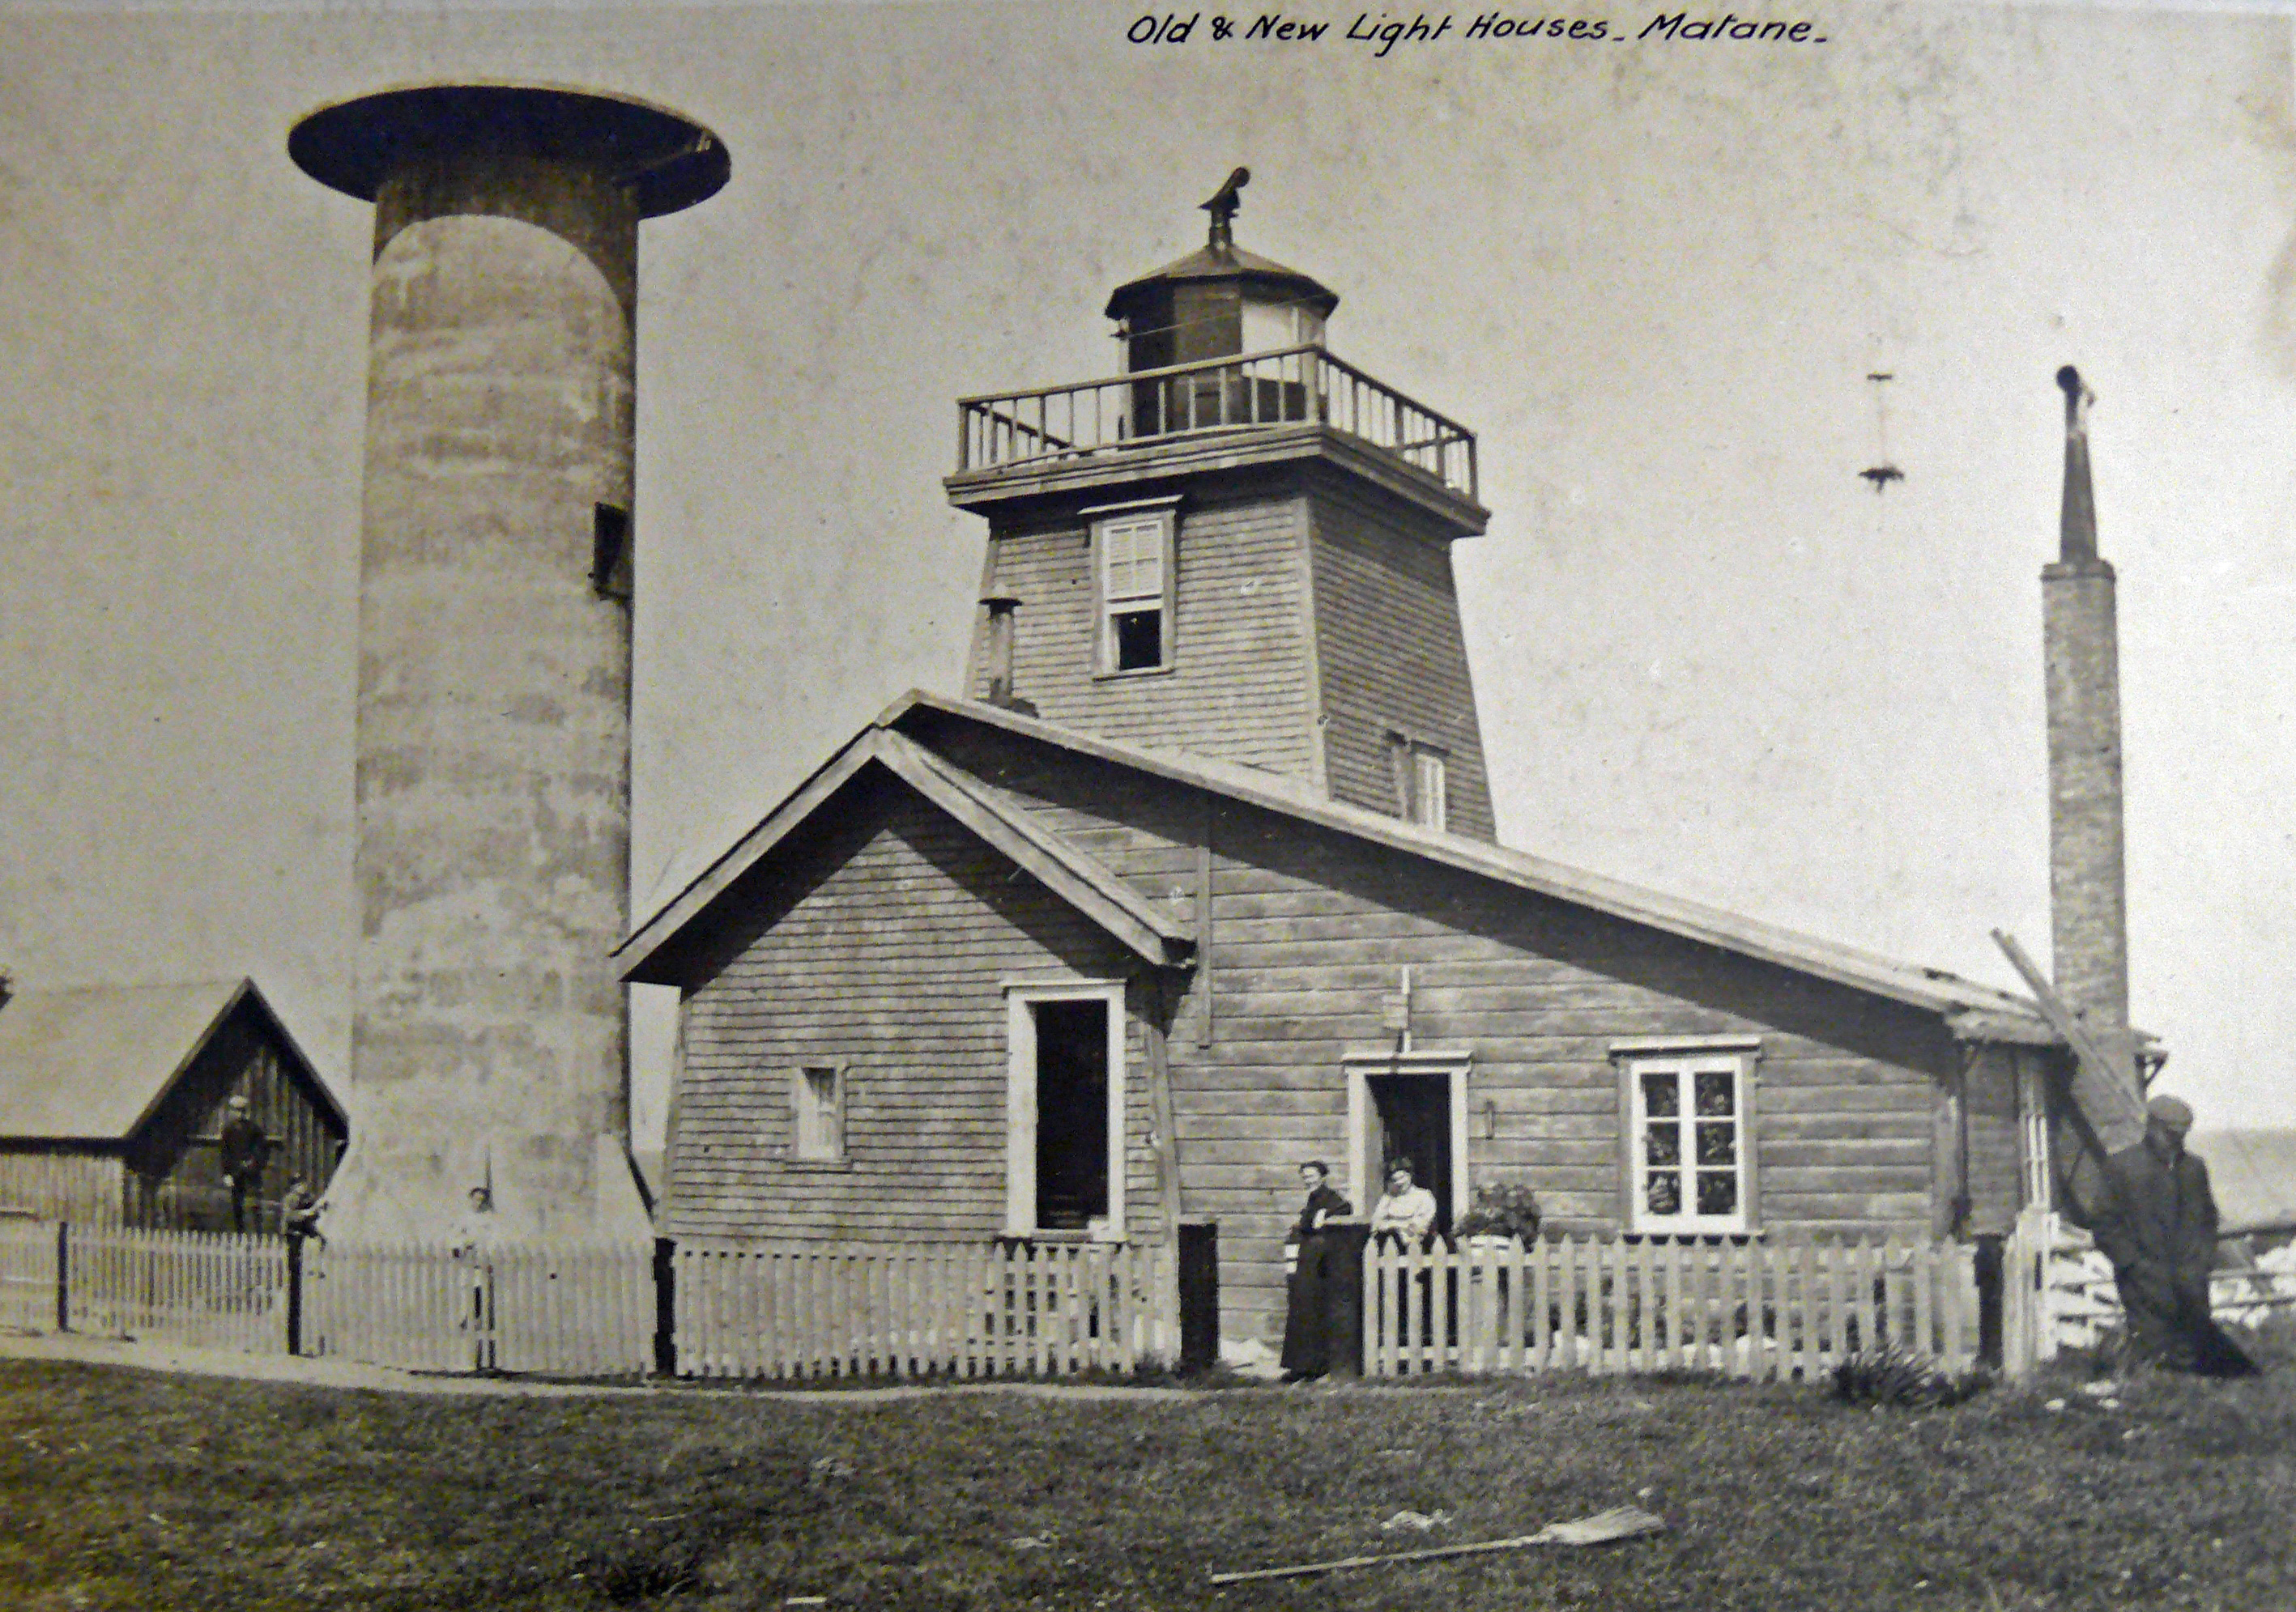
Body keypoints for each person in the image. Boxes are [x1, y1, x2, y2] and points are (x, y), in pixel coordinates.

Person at [2091, 1094, 2251, 1375]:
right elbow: (2105, 1225)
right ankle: (2155, 1401)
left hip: (2190, 1280)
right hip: (2143, 1281)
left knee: (2193, 1352)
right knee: (2153, 1353)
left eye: (2181, 1136)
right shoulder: (2121, 1168)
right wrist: (2134, 1265)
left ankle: (2189, 1404)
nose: (2176, 1142)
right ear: (2150, 1126)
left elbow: (2207, 1220)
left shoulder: (2194, 1169)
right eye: (2169, 1135)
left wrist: (2200, 1262)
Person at [1279, 1160, 1353, 1382]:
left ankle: (1313, 1367)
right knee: (1301, 1310)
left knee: (1311, 1311)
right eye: (1305, 1176)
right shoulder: (1313, 1197)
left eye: (1312, 1175)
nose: (1308, 1179)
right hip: (1306, 1261)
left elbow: (1346, 1208)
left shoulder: (1327, 1197)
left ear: (1322, 1176)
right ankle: (1300, 1367)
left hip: (1318, 1263)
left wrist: (1325, 1214)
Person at [452, 1185, 499, 1372]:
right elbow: (455, 1239)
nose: (478, 1203)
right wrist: (462, 1245)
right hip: (467, 1268)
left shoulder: (489, 1220)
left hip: (483, 1269)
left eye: (482, 1200)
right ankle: (466, 1356)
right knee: (467, 1308)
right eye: (475, 1199)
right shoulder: (463, 1219)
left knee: (481, 1309)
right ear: (470, 1199)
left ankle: (482, 1358)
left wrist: (488, 1254)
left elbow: (493, 1240)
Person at [216, 1094, 269, 1233]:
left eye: (241, 1110)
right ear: (231, 1111)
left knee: (253, 1206)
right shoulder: (228, 1130)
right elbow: (225, 1153)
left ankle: (256, 1236)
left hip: (251, 1174)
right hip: (235, 1174)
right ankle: (238, 1235)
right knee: (235, 1206)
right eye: (236, 1110)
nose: (239, 1114)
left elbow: (261, 1151)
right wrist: (226, 1174)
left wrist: (252, 1164)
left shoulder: (254, 1130)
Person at [1369, 1159, 1439, 1250]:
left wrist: (1393, 1224)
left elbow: (1420, 1225)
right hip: (1389, 1246)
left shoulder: (1424, 1196)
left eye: (1402, 1178)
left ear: (1410, 1175)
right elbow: (1376, 1223)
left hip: (1417, 1246)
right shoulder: (1387, 1199)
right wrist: (1400, 1226)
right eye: (1395, 1180)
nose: (1399, 1183)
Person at [279, 1172, 324, 1248]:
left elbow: (312, 1208)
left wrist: (319, 1208)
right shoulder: (289, 1198)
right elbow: (288, 1214)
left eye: (303, 1185)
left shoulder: (305, 1198)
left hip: (302, 1226)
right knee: (294, 1250)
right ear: (294, 1187)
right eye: (300, 1185)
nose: (303, 1187)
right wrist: (303, 1214)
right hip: (292, 1227)